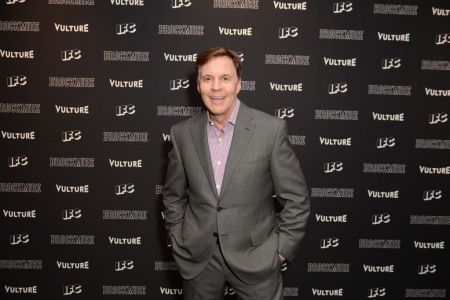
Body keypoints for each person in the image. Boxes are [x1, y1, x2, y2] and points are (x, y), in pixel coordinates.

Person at [163, 47, 310, 300]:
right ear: (198, 86)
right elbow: (173, 196)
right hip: (199, 261)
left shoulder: (270, 130)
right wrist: (179, 239)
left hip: (257, 259)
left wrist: (279, 251)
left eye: (225, 78)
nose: (216, 87)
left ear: (239, 84)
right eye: (207, 78)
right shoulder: (181, 134)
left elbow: (297, 199)